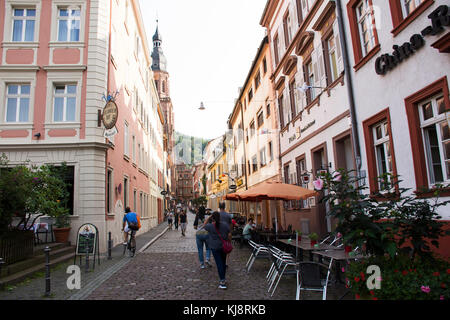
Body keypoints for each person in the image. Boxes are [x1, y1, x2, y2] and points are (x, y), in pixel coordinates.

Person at [204, 211, 230, 289]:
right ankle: (223, 278)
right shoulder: (225, 225)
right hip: (224, 246)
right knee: (223, 262)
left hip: (215, 247)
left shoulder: (211, 226)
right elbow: (229, 233)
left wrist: (208, 217)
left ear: (212, 218)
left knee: (219, 263)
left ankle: (222, 281)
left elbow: (204, 225)